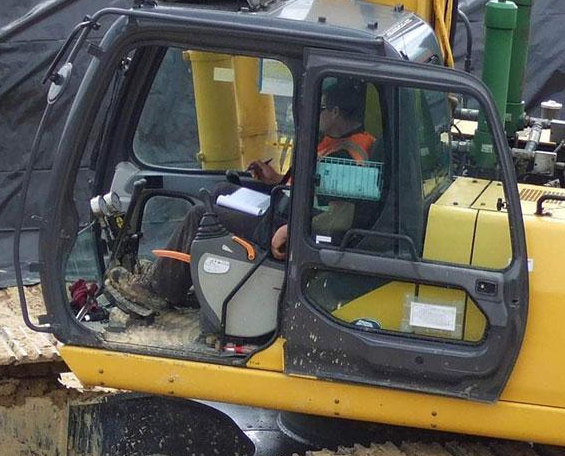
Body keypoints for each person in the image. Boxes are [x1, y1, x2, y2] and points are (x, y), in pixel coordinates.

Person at [107, 77, 375, 311]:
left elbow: (340, 218)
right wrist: (276, 180)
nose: (317, 114)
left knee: (202, 214)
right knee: (221, 191)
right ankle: (173, 273)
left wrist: (292, 229)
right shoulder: (339, 142)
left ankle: (158, 289)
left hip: (298, 228)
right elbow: (314, 189)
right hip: (290, 209)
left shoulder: (348, 158)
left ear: (336, 112)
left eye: (322, 108)